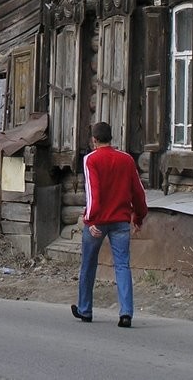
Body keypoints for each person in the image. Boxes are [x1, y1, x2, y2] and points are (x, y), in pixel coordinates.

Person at [72, 121, 148, 328]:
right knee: (122, 265)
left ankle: (85, 309)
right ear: (111, 138)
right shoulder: (126, 159)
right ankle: (126, 313)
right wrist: (138, 217)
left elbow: (93, 192)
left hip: (98, 221)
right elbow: (138, 192)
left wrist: (90, 219)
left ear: (94, 140)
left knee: (88, 263)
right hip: (121, 221)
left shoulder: (91, 159)